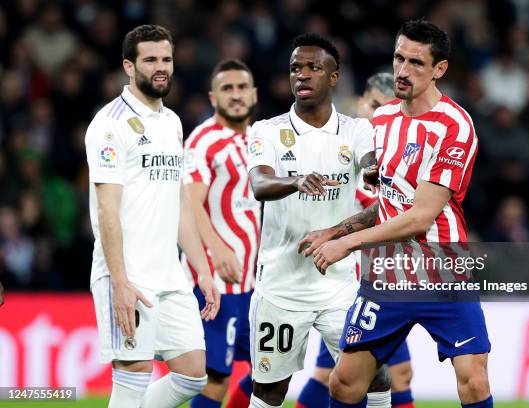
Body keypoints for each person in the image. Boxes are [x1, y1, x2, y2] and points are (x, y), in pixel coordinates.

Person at [301, 20, 493, 408]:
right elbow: (389, 202)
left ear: (439, 69)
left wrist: (347, 245)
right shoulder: (383, 119)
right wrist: (336, 231)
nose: (402, 71)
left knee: (473, 381)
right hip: (387, 275)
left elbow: (420, 217)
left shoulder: (455, 126)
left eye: (416, 63)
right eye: (398, 58)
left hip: (444, 272)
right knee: (343, 384)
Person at [246, 33, 390, 408]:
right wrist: (295, 180)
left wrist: (372, 171)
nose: (303, 75)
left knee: (375, 376)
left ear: (334, 77)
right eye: (296, 68)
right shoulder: (268, 131)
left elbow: (368, 161)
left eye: (313, 67)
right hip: (281, 287)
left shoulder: (357, 130)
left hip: (339, 287)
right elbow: (260, 183)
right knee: (270, 390)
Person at [85, 25, 220, 408]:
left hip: (169, 274)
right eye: (150, 60)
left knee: (193, 374)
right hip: (129, 274)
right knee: (133, 376)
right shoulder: (109, 125)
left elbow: (179, 202)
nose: (161, 68)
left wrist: (202, 269)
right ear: (129, 66)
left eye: (166, 59)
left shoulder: (172, 122)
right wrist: (120, 281)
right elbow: (106, 209)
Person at [297, 73, 415, 408]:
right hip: (346, 282)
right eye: (375, 105)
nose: (379, 116)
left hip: (379, 280)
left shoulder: (392, 158)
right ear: (362, 102)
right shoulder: (341, 147)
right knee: (340, 376)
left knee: (393, 373)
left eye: (388, 109)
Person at [182, 59, 260, 408]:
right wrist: (219, 247)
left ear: (254, 94)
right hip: (214, 279)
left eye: (242, 87)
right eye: (227, 89)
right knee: (214, 379)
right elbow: (190, 204)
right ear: (213, 98)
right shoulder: (204, 140)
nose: (236, 95)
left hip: (252, 282)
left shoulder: (261, 140)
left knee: (270, 367)